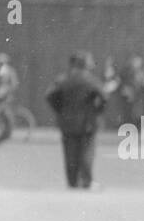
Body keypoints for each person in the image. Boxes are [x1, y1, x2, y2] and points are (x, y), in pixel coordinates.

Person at [45, 51, 106, 189]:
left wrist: (59, 109)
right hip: (87, 121)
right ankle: (86, 181)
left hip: (67, 121)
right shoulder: (90, 80)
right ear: (85, 65)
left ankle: (72, 181)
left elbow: (50, 95)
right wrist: (97, 111)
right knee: (87, 151)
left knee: (70, 153)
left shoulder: (63, 79)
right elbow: (104, 97)